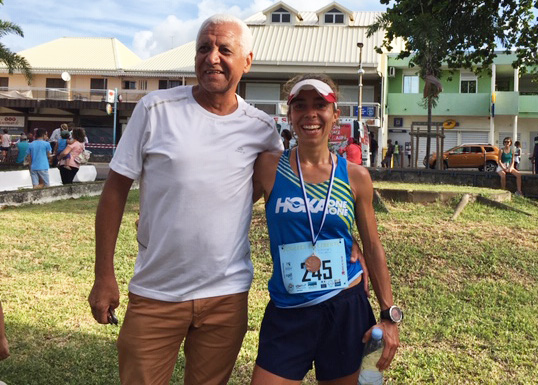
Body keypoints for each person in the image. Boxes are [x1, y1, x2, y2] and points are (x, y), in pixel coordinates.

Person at [88, 14, 284, 385]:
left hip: (226, 296)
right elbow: (114, 191)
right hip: (155, 292)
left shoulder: (262, 128)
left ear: (247, 61)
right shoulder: (155, 109)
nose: (212, 57)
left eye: (225, 49)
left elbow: (277, 193)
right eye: (203, 48)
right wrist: (103, 276)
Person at [251, 74, 400, 384]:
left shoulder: (356, 176)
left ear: (336, 115)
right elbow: (226, 204)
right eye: (300, 105)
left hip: (345, 308)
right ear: (289, 114)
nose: (310, 114)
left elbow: (372, 246)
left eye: (321, 105)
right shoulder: (268, 166)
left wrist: (389, 314)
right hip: (287, 308)